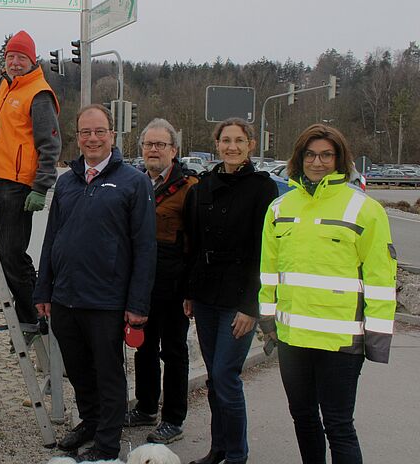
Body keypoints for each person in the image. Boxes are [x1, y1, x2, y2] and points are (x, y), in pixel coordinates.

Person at [259, 124, 396, 464]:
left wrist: (377, 337)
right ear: (299, 158)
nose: (317, 162)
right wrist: (267, 319)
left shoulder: (364, 209)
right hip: (293, 338)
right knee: (303, 418)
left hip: (341, 342)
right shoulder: (279, 208)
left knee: (337, 425)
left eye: (326, 155)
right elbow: (268, 271)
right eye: (310, 154)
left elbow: (380, 276)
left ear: (339, 160)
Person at [34, 105, 156, 462]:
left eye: (99, 131)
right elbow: (52, 238)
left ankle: (106, 444)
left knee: (108, 374)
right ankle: (89, 421)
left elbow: (145, 248)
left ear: (112, 135)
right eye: (85, 132)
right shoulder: (67, 181)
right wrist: (44, 289)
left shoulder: (134, 182)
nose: (92, 139)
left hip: (106, 300)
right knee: (78, 370)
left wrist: (137, 305)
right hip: (66, 297)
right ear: (77, 137)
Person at [183, 118, 278, 464]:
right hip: (206, 296)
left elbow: (263, 252)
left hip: (239, 299)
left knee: (226, 376)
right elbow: (193, 244)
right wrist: (189, 292)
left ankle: (237, 455)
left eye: (239, 140)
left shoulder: (262, 188)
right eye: (226, 140)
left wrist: (251, 306)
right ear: (217, 144)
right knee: (214, 378)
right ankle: (218, 448)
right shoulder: (202, 186)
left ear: (251, 145)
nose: (232, 146)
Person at [0, 27, 61, 332]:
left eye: (21, 57)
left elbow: (50, 144)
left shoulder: (38, 94)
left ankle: (34, 314)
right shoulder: (4, 87)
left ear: (32, 61)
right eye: (11, 57)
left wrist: (41, 186)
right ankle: (28, 313)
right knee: (7, 254)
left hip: (19, 187)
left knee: (12, 254)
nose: (15, 62)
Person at [126, 118, 198, 445]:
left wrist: (191, 290)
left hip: (174, 287)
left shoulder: (189, 189)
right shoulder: (135, 182)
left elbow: (198, 243)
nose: (153, 150)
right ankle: (145, 407)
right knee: (143, 348)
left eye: (160, 145)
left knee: (174, 352)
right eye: (148, 145)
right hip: (141, 285)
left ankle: (173, 419)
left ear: (174, 150)